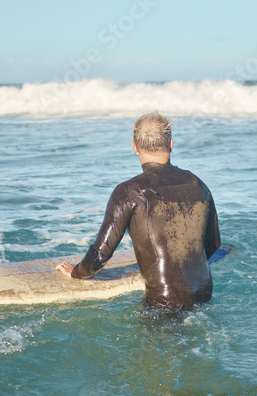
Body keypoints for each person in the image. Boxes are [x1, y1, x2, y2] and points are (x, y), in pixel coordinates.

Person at [56, 111, 221, 309]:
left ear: (134, 147)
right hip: (204, 291)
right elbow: (213, 244)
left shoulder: (128, 191)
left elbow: (100, 254)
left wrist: (77, 272)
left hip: (164, 300)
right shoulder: (197, 184)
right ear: (170, 144)